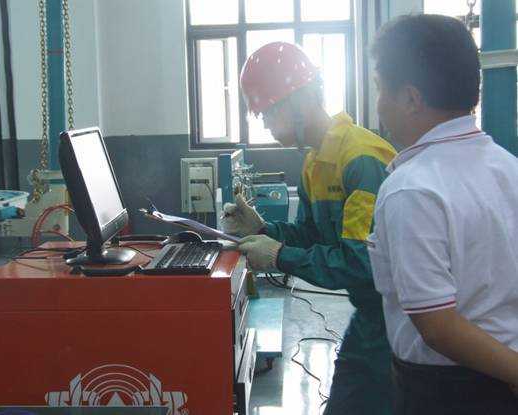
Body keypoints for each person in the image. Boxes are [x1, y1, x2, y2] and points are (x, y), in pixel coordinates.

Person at [221, 41, 397, 414]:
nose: (265, 124)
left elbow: (360, 265)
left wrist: (278, 256)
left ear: (299, 101)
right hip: (370, 317)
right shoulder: (315, 163)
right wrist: (263, 228)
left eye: (268, 112)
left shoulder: (361, 160)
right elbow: (312, 236)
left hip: (400, 325)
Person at [368, 14, 518, 415]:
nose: (378, 105)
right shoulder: (508, 167)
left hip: (449, 391)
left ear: (411, 99)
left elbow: (438, 327)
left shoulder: (411, 189)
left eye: (380, 88)